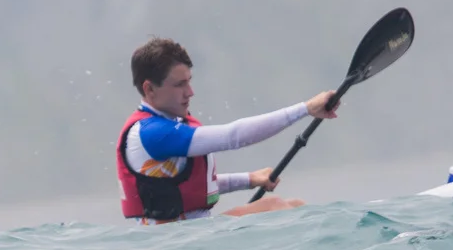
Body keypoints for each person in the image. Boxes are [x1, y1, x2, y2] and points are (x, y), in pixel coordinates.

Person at [117, 37, 340, 225]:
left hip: (190, 235)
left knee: (295, 205)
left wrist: (249, 179)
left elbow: (196, 186)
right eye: (179, 84)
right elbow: (233, 136)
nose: (190, 92)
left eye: (189, 82)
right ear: (149, 89)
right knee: (276, 206)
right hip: (174, 243)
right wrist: (306, 109)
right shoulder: (152, 133)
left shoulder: (171, 124)